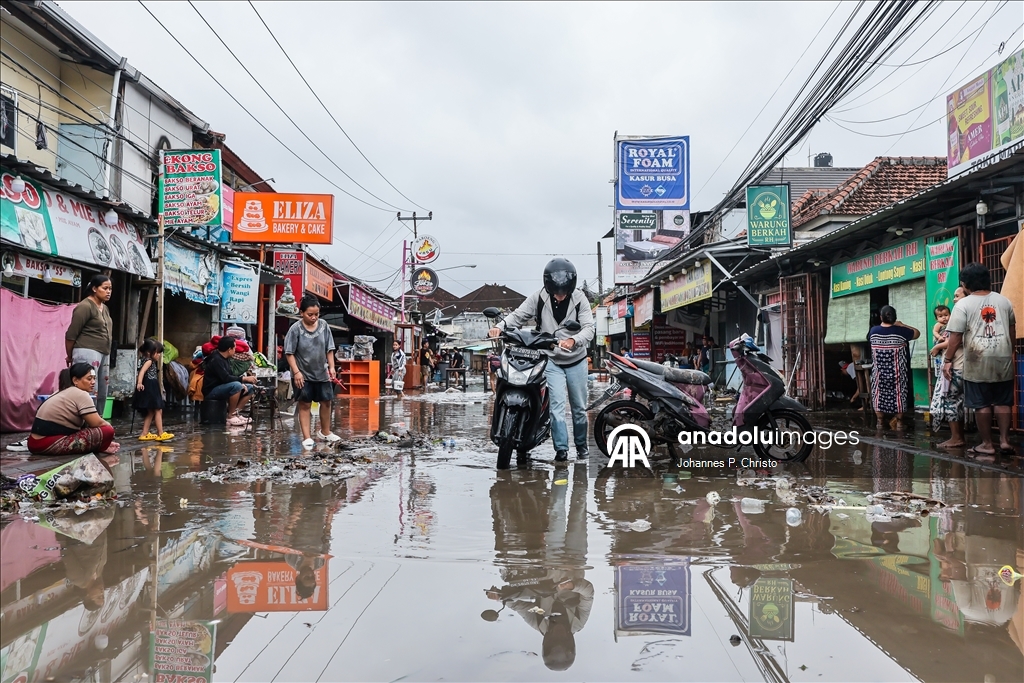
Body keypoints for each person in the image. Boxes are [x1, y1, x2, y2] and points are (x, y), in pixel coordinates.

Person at [489, 258, 595, 461]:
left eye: (564, 293)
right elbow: (518, 316)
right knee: (556, 407)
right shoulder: (538, 297)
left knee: (579, 408)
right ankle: (561, 450)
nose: (560, 296)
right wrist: (500, 326)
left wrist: (574, 340)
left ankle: (581, 446)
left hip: (576, 360)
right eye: (556, 292)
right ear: (548, 286)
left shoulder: (581, 299)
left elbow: (589, 328)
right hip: (551, 359)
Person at [943, 263, 1017, 456]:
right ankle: (1005, 441)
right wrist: (1009, 351)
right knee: (1003, 401)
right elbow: (1012, 331)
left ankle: (987, 444)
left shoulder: (962, 305)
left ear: (964, 284)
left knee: (981, 403)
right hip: (1003, 357)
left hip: (977, 359)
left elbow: (955, 337)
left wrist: (948, 360)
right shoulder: (1004, 301)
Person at [28, 362, 119, 456]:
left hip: (33, 442)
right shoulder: (81, 394)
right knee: (107, 430)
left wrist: (102, 444)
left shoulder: (61, 391)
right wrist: (110, 431)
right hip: (45, 444)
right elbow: (97, 423)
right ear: (75, 380)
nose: (93, 382)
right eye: (89, 379)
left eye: (94, 378)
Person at [284, 294, 340, 449]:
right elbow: (289, 352)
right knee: (305, 404)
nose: (314, 317)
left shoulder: (324, 326)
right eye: (310, 314)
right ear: (301, 313)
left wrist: (332, 367)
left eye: (316, 314)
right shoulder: (295, 329)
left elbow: (330, 348)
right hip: (303, 373)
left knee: (326, 401)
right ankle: (307, 437)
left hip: (322, 372)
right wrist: (296, 372)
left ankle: (325, 431)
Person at [65, 274, 113, 412]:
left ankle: (98, 423)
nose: (108, 291)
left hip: (104, 352)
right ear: (94, 288)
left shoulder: (105, 308)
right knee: (90, 389)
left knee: (102, 391)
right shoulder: (85, 306)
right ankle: (85, 421)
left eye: (110, 289)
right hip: (87, 351)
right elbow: (71, 334)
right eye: (105, 288)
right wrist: (69, 355)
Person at [868, 305, 920, 430]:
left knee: (878, 395)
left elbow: (869, 339)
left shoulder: (873, 331)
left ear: (881, 317)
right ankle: (900, 423)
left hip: (878, 374)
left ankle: (880, 422)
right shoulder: (901, 331)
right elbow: (917, 333)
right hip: (897, 373)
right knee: (899, 395)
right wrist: (902, 325)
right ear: (895, 318)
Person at [930, 289, 966, 449]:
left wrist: (939, 347)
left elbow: (956, 340)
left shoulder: (961, 314)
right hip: (964, 364)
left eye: (957, 296)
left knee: (951, 400)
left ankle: (957, 438)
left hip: (957, 365)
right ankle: (960, 437)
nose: (954, 299)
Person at [203, 336, 257, 427]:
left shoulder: (226, 359)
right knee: (236, 386)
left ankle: (236, 413)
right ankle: (230, 416)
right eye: (234, 348)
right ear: (229, 349)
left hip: (223, 386)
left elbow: (230, 375)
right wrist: (243, 379)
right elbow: (226, 378)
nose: (235, 350)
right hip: (211, 391)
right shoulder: (216, 359)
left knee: (251, 388)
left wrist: (242, 383)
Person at [134, 339, 172, 441]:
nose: (159, 355)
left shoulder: (143, 359)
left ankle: (144, 433)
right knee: (158, 410)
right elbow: (141, 372)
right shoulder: (149, 361)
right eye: (157, 353)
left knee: (150, 412)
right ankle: (160, 433)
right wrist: (139, 383)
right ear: (149, 352)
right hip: (150, 386)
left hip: (148, 385)